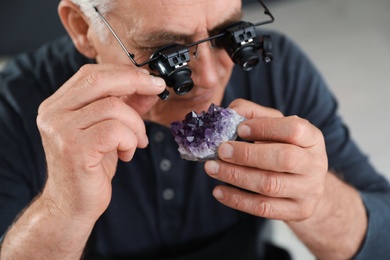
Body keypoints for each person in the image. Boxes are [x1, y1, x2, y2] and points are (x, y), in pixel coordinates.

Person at [0, 0, 389, 259]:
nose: (208, 77)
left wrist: (317, 200)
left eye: (227, 36)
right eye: (166, 54)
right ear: (83, 27)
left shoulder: (279, 71)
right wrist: (62, 211)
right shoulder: (13, 107)